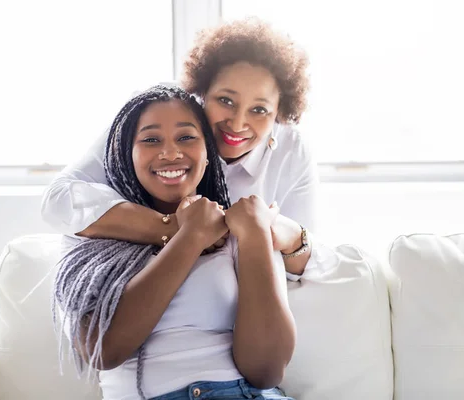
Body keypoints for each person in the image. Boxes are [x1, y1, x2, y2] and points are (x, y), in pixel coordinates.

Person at [53, 85, 296, 400]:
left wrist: (256, 235)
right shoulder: (92, 237)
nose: (170, 153)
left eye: (186, 138)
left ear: (208, 154)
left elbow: (265, 371)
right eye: (151, 139)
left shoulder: (242, 230)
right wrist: (190, 236)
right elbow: (103, 351)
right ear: (125, 154)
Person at [41, 18, 318, 277]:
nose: (237, 123)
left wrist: (289, 235)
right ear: (202, 92)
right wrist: (172, 227)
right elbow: (58, 201)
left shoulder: (291, 151)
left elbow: (306, 269)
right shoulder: (160, 112)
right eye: (226, 101)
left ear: (279, 113)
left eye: (259, 109)